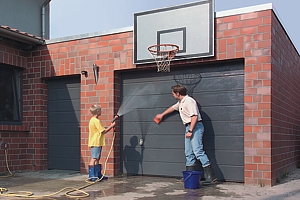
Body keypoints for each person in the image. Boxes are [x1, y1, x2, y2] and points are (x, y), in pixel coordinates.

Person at [155, 84, 217, 185]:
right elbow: (173, 108)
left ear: (178, 93)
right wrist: (162, 115)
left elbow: (195, 117)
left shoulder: (189, 101)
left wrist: (191, 131)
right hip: (189, 127)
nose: (172, 95)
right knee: (189, 153)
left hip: (195, 127)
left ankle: (211, 176)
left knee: (198, 151)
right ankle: (189, 175)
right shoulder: (181, 102)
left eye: (173, 93)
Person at [88, 104, 116, 181]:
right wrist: (112, 126)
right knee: (94, 158)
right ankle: (92, 175)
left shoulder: (92, 120)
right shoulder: (96, 121)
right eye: (100, 110)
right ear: (97, 111)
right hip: (96, 142)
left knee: (97, 158)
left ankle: (97, 175)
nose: (101, 111)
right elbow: (103, 131)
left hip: (97, 142)